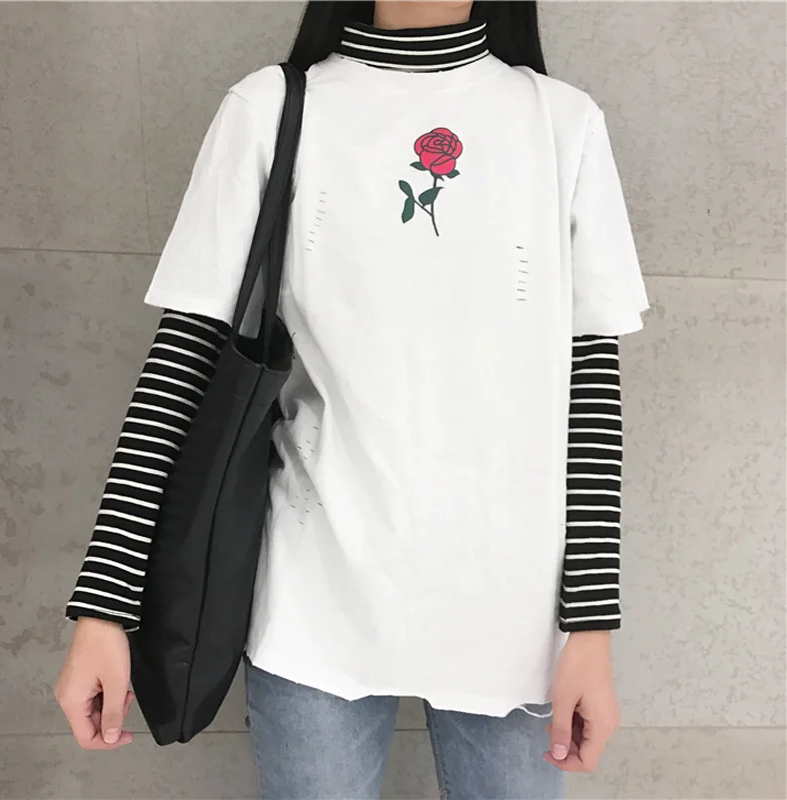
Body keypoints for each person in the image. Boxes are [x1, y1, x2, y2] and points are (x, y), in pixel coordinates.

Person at [56, 1, 649, 797]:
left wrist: (592, 628)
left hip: (513, 615)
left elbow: (591, 398)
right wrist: (103, 608)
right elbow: (180, 368)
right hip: (314, 605)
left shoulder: (562, 123)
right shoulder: (272, 108)